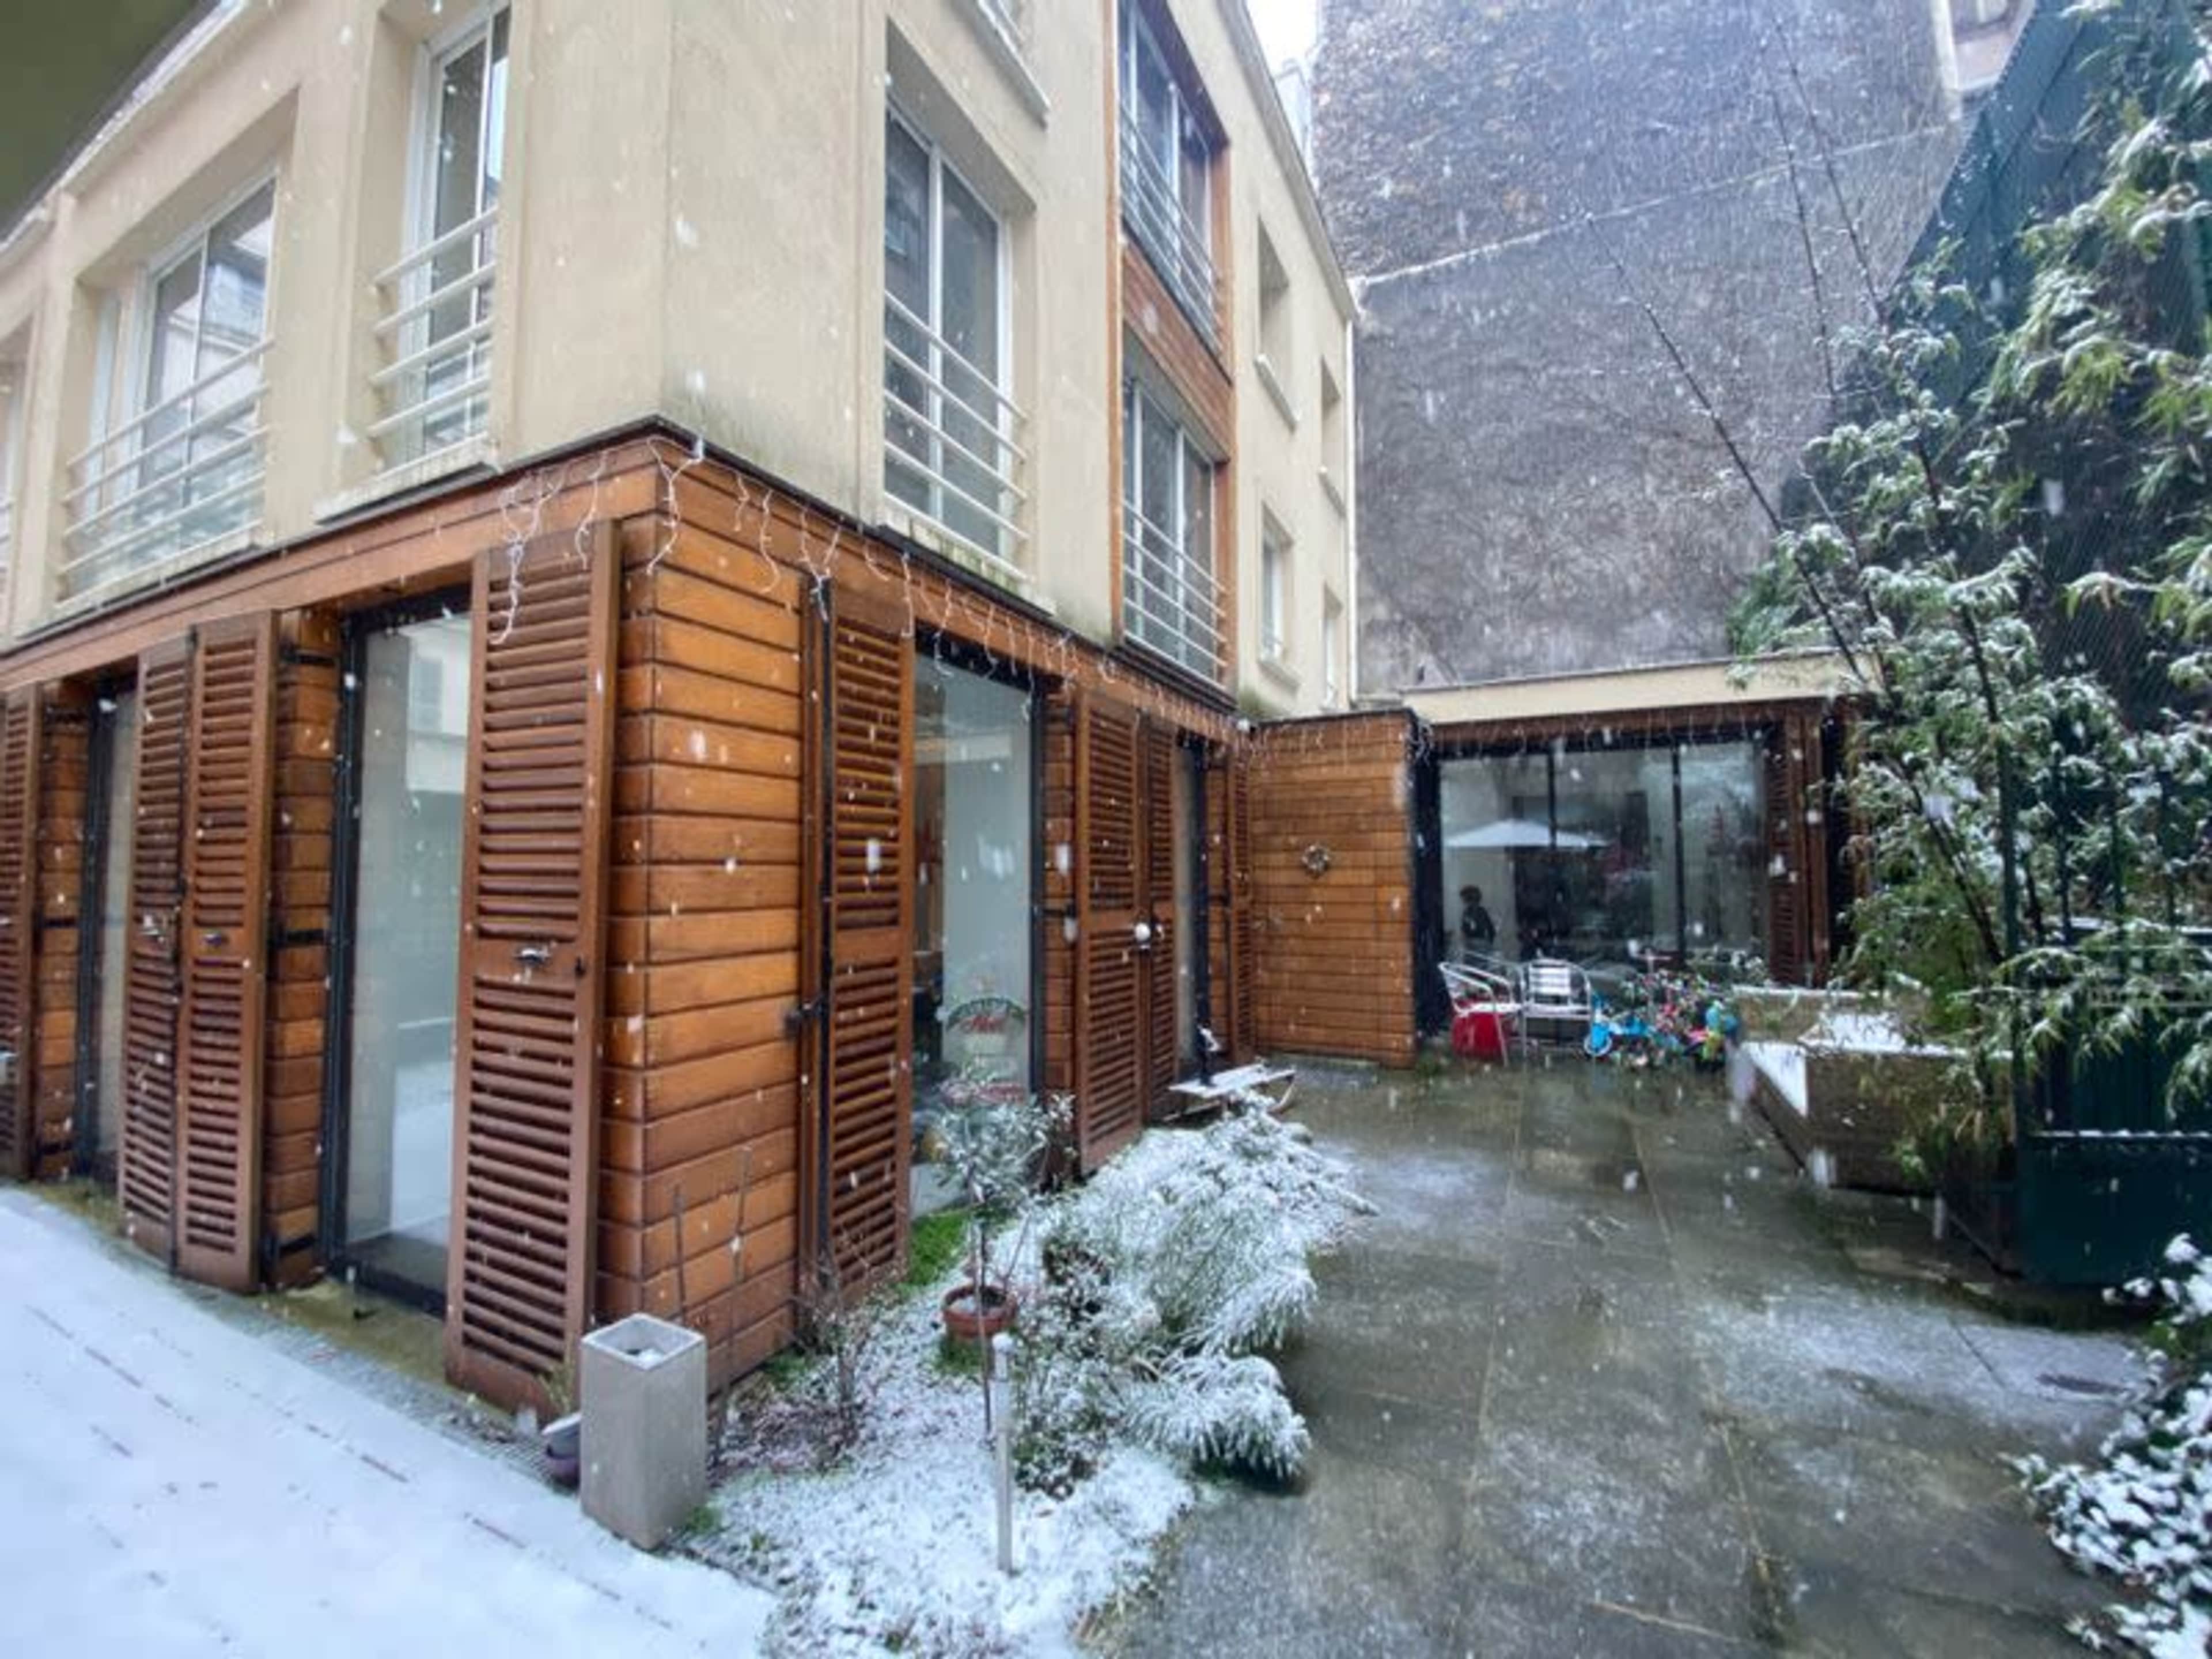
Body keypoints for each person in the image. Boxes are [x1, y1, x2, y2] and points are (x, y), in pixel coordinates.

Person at [1458, 884, 1497, 959]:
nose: (1462, 901)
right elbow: (1491, 930)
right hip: (1481, 943)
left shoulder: (1469, 912)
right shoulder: (1481, 911)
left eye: (1463, 898)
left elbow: (1470, 929)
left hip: (1474, 944)